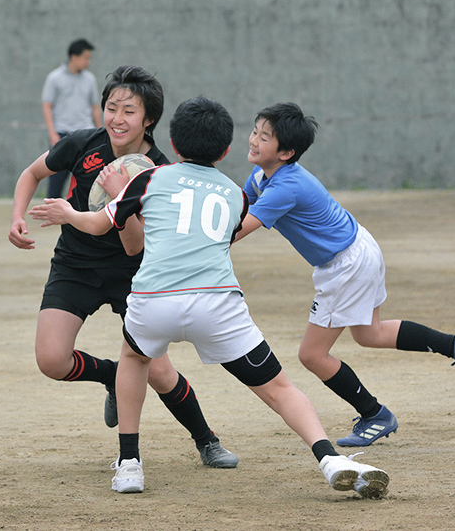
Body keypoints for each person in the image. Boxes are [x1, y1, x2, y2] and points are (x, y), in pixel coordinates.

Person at [29, 96, 390, 498]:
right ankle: (329, 458)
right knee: (280, 388)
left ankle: (129, 464)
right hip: (218, 306)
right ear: (226, 150)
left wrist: (71, 212)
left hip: (156, 299)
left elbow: (99, 225)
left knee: (133, 359)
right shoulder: (237, 194)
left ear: (174, 142)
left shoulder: (148, 179)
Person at [9, 66, 239, 469]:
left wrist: (118, 198)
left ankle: (207, 440)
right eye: (111, 108)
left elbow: (136, 245)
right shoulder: (83, 144)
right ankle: (112, 376)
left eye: (129, 111)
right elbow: (33, 173)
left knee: (159, 372)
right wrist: (16, 217)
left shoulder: (161, 172)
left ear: (149, 119)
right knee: (51, 360)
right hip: (76, 265)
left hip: (134, 274)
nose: (117, 118)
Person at [231, 102, 455, 448]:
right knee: (371, 333)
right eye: (255, 131)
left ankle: (374, 413)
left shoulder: (284, 187)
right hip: (357, 248)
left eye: (265, 137)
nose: (254, 140)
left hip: (346, 264)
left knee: (312, 355)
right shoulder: (263, 175)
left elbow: (236, 230)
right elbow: (238, 204)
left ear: (286, 152)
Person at [42, 38, 103, 198]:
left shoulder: (90, 79)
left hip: (87, 136)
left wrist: (100, 132)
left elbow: (95, 107)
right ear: (74, 57)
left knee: (89, 181)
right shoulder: (54, 78)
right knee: (56, 181)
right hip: (63, 135)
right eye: (85, 58)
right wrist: (53, 134)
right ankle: (49, 214)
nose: (87, 62)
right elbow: (47, 106)